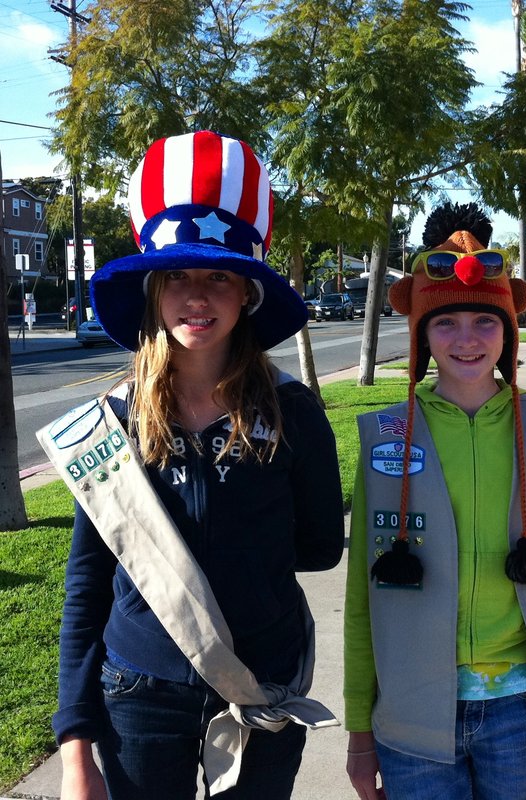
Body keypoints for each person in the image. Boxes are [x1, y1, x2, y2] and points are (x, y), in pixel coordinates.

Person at [46, 131, 344, 800]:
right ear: (153, 292)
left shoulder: (294, 413)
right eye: (177, 276)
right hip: (138, 692)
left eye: (219, 276)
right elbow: (87, 583)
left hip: (260, 684)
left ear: (248, 294)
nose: (197, 295)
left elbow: (323, 547)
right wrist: (74, 752)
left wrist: (241, 566)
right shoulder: (113, 423)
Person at [343, 202, 526, 800]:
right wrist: (360, 733)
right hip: (410, 713)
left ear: (509, 331)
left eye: (485, 321)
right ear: (422, 335)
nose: (466, 339)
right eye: (445, 323)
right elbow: (364, 597)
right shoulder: (385, 437)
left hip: (520, 712)